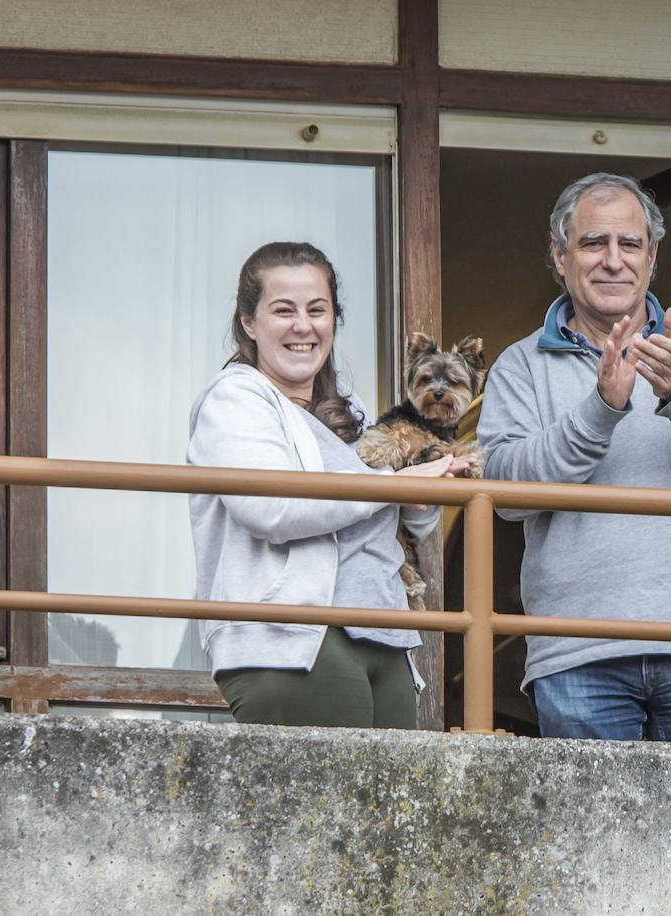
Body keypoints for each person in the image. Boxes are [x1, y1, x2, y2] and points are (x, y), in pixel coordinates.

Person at [476, 173, 671, 745]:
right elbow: (503, 496)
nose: (613, 260)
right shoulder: (519, 365)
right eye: (593, 243)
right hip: (577, 651)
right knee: (589, 836)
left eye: (630, 244)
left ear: (653, 256)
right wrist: (599, 411)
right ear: (559, 255)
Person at [188, 241, 473, 727]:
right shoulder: (235, 398)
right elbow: (270, 510)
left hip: (385, 635)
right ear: (249, 323)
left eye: (317, 310)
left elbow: (386, 521)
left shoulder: (352, 409)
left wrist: (422, 500)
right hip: (292, 641)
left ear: (334, 321)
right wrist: (393, 485)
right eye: (283, 310)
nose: (303, 325)